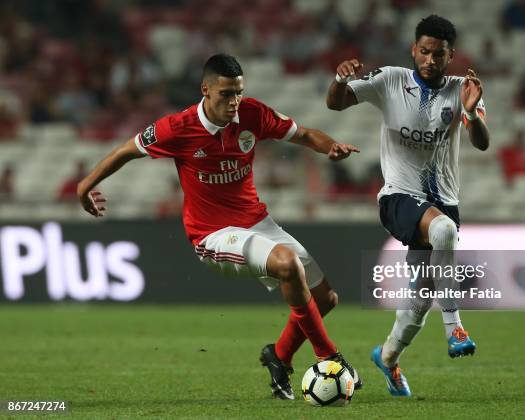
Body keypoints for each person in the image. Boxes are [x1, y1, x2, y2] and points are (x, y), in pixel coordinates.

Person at [77, 54, 361, 400]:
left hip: (257, 222)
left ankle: (279, 356)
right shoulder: (177, 128)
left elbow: (302, 134)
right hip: (211, 235)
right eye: (226, 94)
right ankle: (329, 357)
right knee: (287, 263)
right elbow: (126, 150)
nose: (234, 102)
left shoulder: (253, 114)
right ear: (206, 90)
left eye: (239, 93)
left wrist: (330, 146)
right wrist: (85, 185)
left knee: (325, 298)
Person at [326, 15, 490, 397]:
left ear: (450, 56)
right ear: (414, 49)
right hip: (398, 196)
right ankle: (456, 329)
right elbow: (335, 104)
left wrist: (469, 111)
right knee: (444, 231)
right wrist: (338, 79)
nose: (430, 59)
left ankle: (388, 356)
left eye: (439, 54)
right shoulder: (390, 80)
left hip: (443, 201)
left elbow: (481, 141)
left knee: (420, 296)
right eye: (425, 51)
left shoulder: (462, 89)